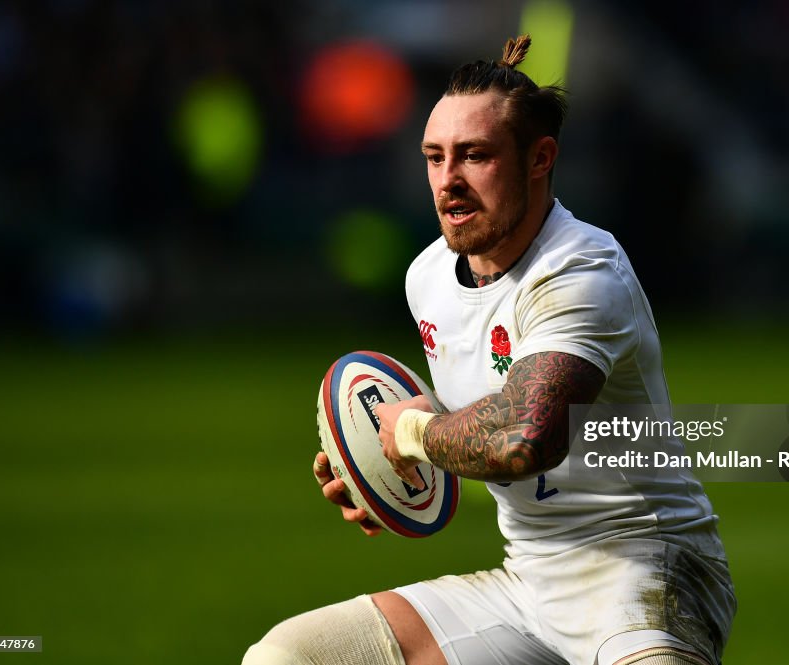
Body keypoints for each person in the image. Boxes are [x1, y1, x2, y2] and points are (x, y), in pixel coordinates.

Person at [243, 35, 736, 665]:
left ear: (539, 159)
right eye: (434, 157)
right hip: (527, 584)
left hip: (648, 572)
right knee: (286, 657)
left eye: (474, 156)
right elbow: (471, 420)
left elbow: (526, 436)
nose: (448, 181)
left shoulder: (581, 269)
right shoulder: (426, 278)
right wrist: (381, 474)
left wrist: (412, 433)